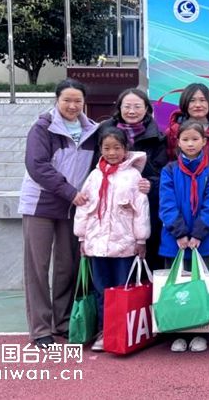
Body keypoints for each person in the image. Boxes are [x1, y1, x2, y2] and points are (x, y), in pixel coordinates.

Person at [18, 79, 100, 348]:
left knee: (67, 266)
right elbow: (37, 166)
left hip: (72, 207)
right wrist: (69, 191)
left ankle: (62, 322)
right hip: (40, 205)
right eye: (67, 100)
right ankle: (40, 329)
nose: (72, 106)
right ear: (56, 100)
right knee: (38, 267)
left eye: (78, 101)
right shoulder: (42, 128)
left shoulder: (92, 131)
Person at [74, 128, 150, 352]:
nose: (112, 152)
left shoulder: (134, 176)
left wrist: (141, 240)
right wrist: (81, 237)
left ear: (126, 149)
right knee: (101, 289)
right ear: (100, 149)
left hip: (124, 245)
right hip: (97, 245)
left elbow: (141, 209)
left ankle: (123, 332)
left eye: (117, 148)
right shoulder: (94, 176)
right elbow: (84, 207)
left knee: (122, 288)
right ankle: (104, 331)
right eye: (106, 148)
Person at [159, 121, 209, 353]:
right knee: (178, 287)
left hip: (204, 240)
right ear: (178, 142)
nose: (190, 144)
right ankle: (178, 331)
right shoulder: (169, 170)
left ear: (204, 141)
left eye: (195, 139)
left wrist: (197, 234)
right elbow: (166, 204)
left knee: (202, 286)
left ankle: (201, 331)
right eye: (185, 139)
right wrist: (179, 233)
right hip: (174, 240)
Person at [96, 88, 167, 270]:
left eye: (137, 106)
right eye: (127, 106)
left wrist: (151, 183)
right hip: (111, 206)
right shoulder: (105, 131)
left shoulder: (157, 136)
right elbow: (95, 167)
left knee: (145, 257)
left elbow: (162, 172)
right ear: (119, 108)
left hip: (143, 205)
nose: (132, 111)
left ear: (146, 109)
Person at [164, 83, 209, 161]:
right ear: (185, 103)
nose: (198, 105)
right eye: (192, 100)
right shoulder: (172, 132)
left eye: (202, 100)